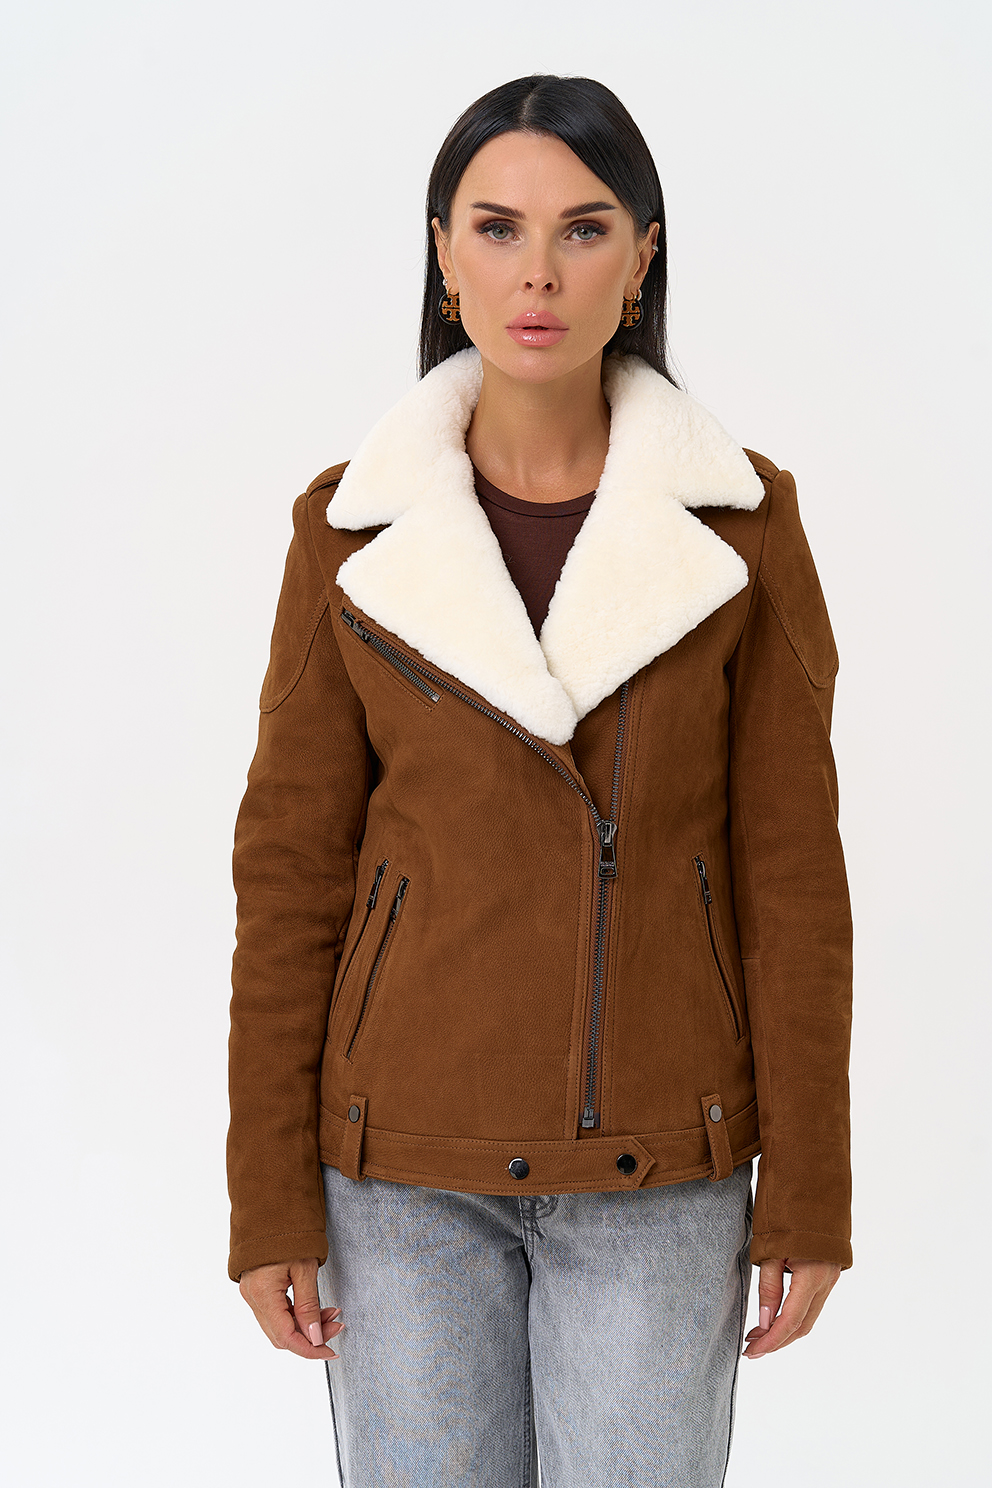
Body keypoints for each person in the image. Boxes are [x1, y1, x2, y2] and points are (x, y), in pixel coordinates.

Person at [227, 74, 854, 1486]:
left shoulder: (745, 527)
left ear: (642, 260)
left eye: (584, 229)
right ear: (443, 255)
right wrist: (268, 1193)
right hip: (400, 1171)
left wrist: (809, 1186)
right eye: (498, 228)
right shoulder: (348, 535)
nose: (538, 273)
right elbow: (291, 878)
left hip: (663, 1168)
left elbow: (793, 881)